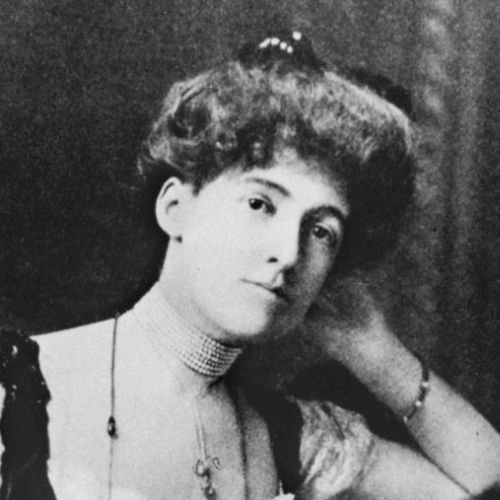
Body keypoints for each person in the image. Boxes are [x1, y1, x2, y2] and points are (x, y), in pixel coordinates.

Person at [1, 31, 500, 500]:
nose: (289, 252)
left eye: (322, 231)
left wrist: (374, 351)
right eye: (260, 204)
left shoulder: (291, 437)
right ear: (175, 207)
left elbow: (485, 485)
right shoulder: (18, 386)